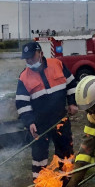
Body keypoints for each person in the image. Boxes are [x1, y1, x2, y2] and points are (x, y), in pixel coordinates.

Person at [15, 41, 77, 180]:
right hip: (39, 124)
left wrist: (72, 103)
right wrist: (29, 122)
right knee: (39, 156)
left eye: (32, 56)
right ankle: (39, 183)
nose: (29, 61)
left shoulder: (57, 64)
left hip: (61, 119)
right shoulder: (24, 77)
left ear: (41, 53)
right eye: (26, 58)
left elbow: (72, 84)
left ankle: (65, 179)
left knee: (65, 150)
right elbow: (22, 104)